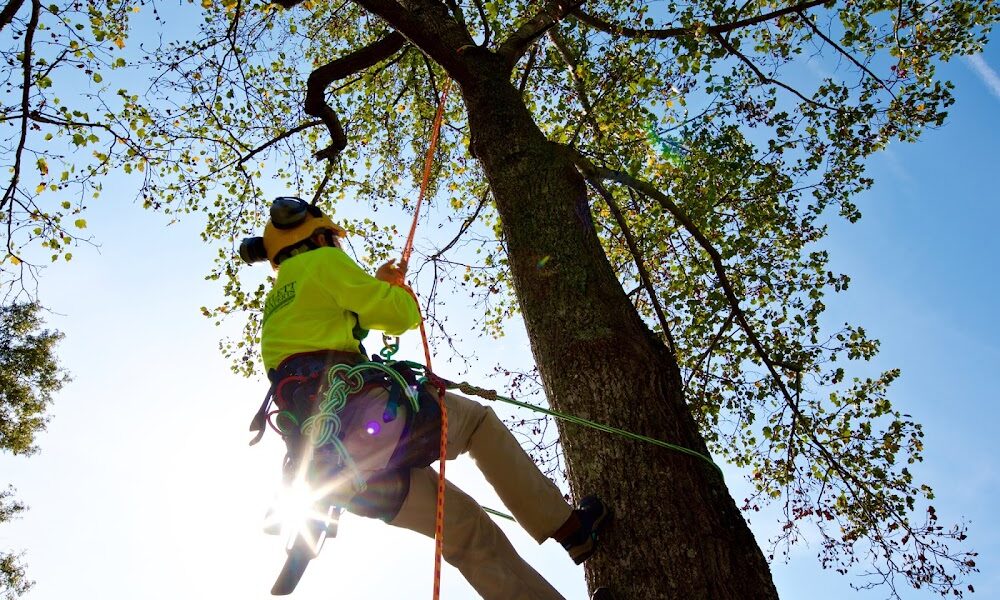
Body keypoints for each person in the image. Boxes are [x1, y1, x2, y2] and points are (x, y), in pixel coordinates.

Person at [240, 196, 610, 600]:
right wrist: (393, 290)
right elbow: (399, 316)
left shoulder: (278, 300)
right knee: (478, 425)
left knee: (465, 532)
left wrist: (375, 285)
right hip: (376, 418)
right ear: (318, 235)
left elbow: (334, 323)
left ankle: (323, 491)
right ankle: (570, 528)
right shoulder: (322, 263)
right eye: (334, 239)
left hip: (345, 467)